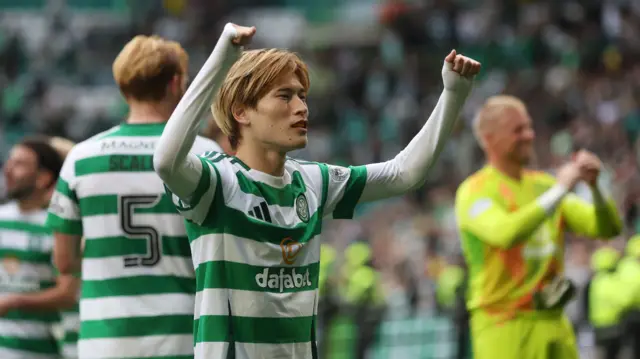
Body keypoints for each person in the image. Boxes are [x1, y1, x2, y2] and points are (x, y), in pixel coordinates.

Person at [153, 22, 480, 358]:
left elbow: (404, 173)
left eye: (302, 96)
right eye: (284, 96)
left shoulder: (313, 181)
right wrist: (223, 58)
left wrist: (453, 94)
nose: (301, 107)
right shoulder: (217, 182)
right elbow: (165, 159)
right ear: (241, 111)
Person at [46, 35, 222, 359]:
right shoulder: (206, 154)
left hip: (105, 337)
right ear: (176, 84)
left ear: (123, 86)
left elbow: (64, 261)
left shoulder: (81, 158)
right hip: (183, 333)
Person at [454, 95, 623, 359]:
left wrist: (595, 188)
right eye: (517, 130)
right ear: (489, 139)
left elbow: (607, 228)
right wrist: (560, 189)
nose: (529, 135)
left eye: (529, 127)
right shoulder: (475, 191)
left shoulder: (543, 185)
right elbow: (506, 233)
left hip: (554, 320)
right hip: (503, 325)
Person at [0, 136, 77, 359]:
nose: (8, 170)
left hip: (41, 351)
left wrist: (15, 301)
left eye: (20, 164)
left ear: (44, 177)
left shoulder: (56, 226)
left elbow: (67, 294)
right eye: (9, 162)